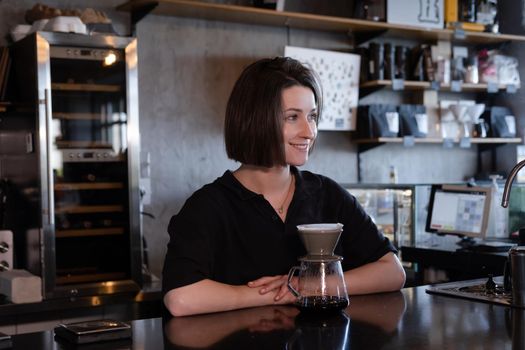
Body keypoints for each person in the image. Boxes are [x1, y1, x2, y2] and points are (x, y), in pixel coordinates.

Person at [162, 57, 406, 317]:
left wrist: (309, 285)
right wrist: (273, 294)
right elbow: (180, 298)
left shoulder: (328, 194)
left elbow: (392, 271)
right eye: (292, 117)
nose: (309, 131)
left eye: (312, 116)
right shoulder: (208, 206)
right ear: (256, 120)